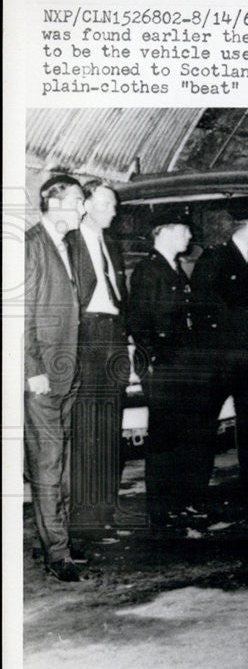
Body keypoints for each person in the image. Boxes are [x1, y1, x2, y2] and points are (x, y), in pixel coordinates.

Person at [24, 175, 85, 581]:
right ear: (55, 201)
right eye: (79, 200)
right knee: (47, 464)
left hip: (66, 372)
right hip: (43, 376)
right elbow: (17, 316)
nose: (83, 208)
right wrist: (33, 372)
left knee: (59, 464)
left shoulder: (64, 245)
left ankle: (55, 538)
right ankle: (56, 553)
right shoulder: (31, 246)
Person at [190, 212, 248, 504]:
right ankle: (195, 493)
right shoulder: (215, 259)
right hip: (220, 358)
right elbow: (201, 309)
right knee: (204, 425)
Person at [126, 215, 199, 529]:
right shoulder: (148, 270)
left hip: (179, 360)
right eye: (184, 230)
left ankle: (178, 502)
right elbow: (139, 321)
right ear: (165, 231)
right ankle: (160, 508)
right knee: (164, 437)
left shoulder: (174, 268)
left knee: (179, 434)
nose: (189, 236)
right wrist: (152, 359)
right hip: (162, 362)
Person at [67, 180, 129, 535]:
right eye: (106, 203)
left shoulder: (112, 246)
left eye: (115, 205)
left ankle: (106, 510)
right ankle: (84, 516)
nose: (113, 210)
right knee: (87, 428)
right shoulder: (70, 244)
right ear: (85, 204)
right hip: (87, 338)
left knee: (110, 427)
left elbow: (119, 296)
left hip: (114, 337)